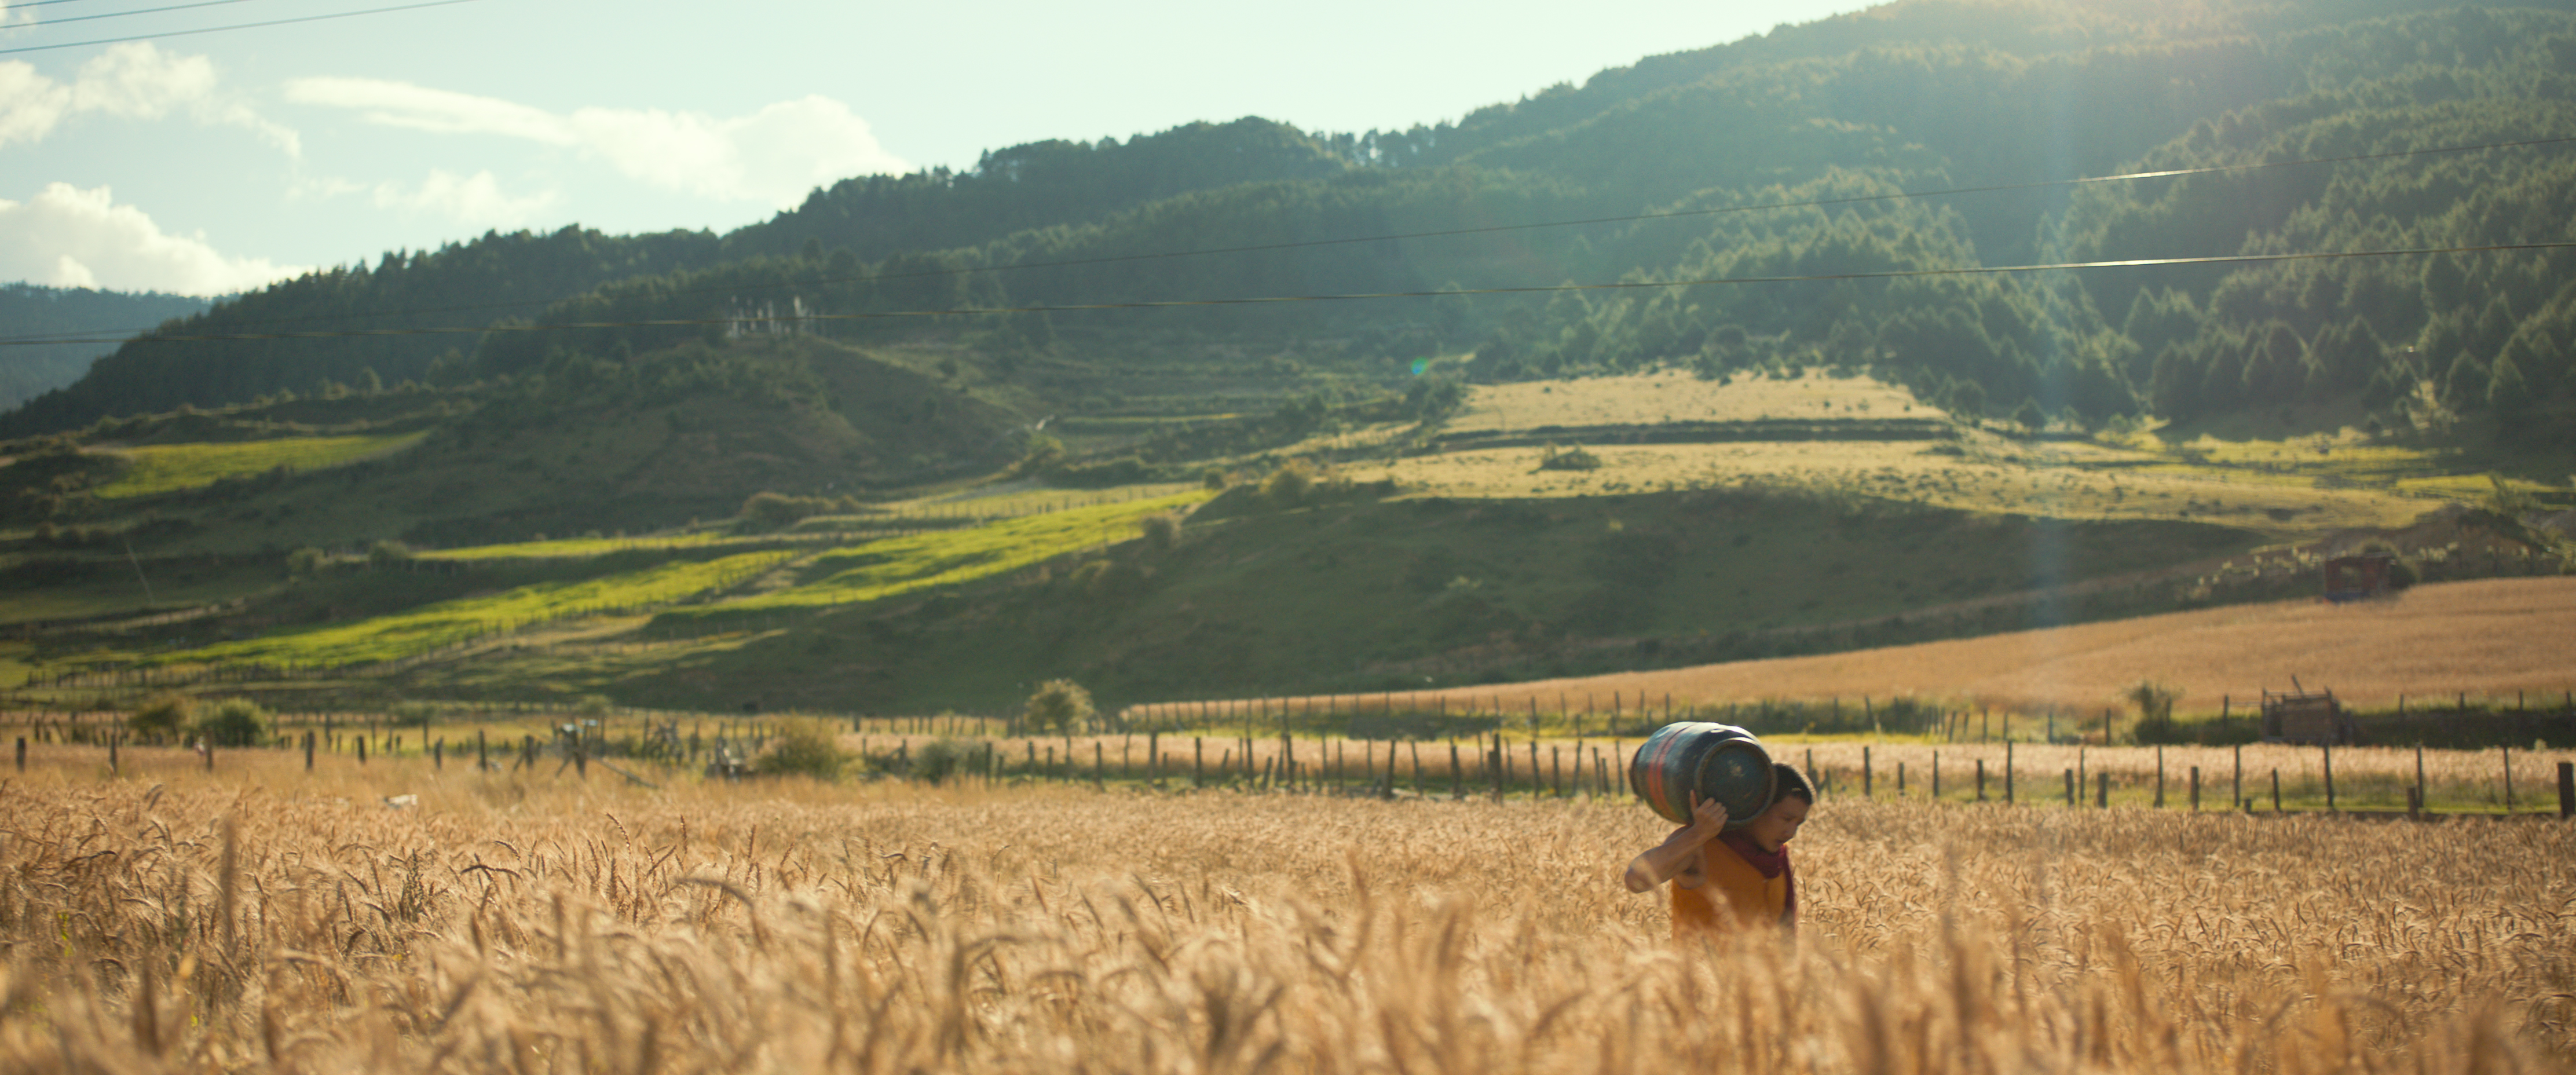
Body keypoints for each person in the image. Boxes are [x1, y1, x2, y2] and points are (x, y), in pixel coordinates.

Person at [1622, 763, 1812, 937]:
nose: (1791, 832)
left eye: (1799, 823)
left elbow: (1786, 938)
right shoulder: (1702, 847)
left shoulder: (1777, 860)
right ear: (1757, 806)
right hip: (1701, 974)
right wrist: (1699, 833)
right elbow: (1635, 880)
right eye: (1786, 819)